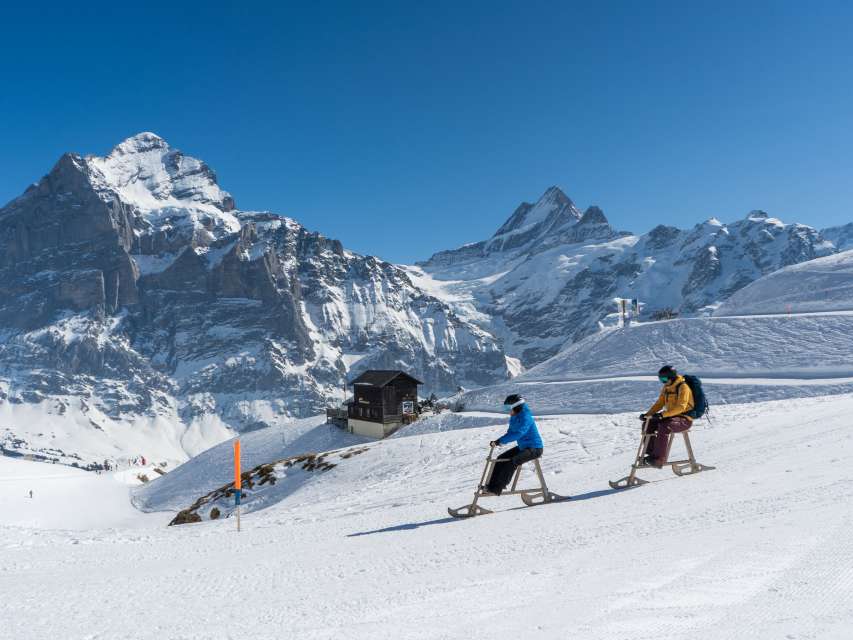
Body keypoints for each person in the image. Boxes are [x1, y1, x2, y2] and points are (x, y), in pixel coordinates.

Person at [485, 394, 544, 495]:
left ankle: (498, 487)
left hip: (535, 448)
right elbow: (510, 432)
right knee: (500, 458)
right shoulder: (514, 416)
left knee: (513, 461)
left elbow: (518, 433)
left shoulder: (526, 417)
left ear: (517, 406)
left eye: (509, 408)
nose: (508, 410)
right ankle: (491, 486)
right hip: (523, 447)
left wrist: (501, 441)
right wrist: (498, 441)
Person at [640, 365, 694, 467]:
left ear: (671, 377)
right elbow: (659, 403)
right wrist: (648, 415)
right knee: (648, 424)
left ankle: (658, 459)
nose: (663, 382)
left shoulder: (683, 387)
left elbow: (681, 407)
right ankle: (650, 454)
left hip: (685, 419)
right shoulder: (666, 387)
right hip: (671, 417)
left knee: (664, 426)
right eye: (661, 379)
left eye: (664, 379)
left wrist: (662, 415)